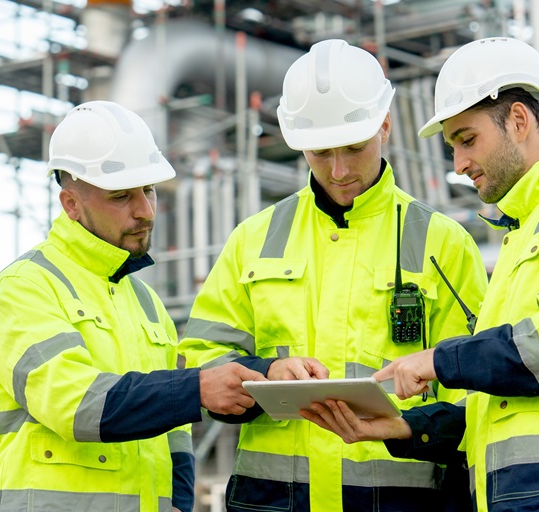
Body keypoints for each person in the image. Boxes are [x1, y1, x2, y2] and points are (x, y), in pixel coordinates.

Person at [301, 37, 539, 511]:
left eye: (467, 140)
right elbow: (500, 403)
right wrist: (408, 426)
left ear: (518, 120)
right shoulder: (524, 232)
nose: (459, 165)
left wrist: (438, 361)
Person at [178, 39, 488, 511]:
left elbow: (476, 394)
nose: (339, 170)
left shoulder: (444, 244)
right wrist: (266, 374)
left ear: (384, 124)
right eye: (320, 152)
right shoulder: (254, 238)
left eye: (353, 147)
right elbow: (200, 360)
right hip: (272, 500)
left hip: (398, 501)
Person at [0, 100, 268, 512]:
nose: (145, 211)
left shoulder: (146, 302)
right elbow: (77, 404)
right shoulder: (24, 288)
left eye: (148, 190)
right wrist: (197, 386)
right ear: (71, 205)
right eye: (121, 196)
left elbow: (175, 443)